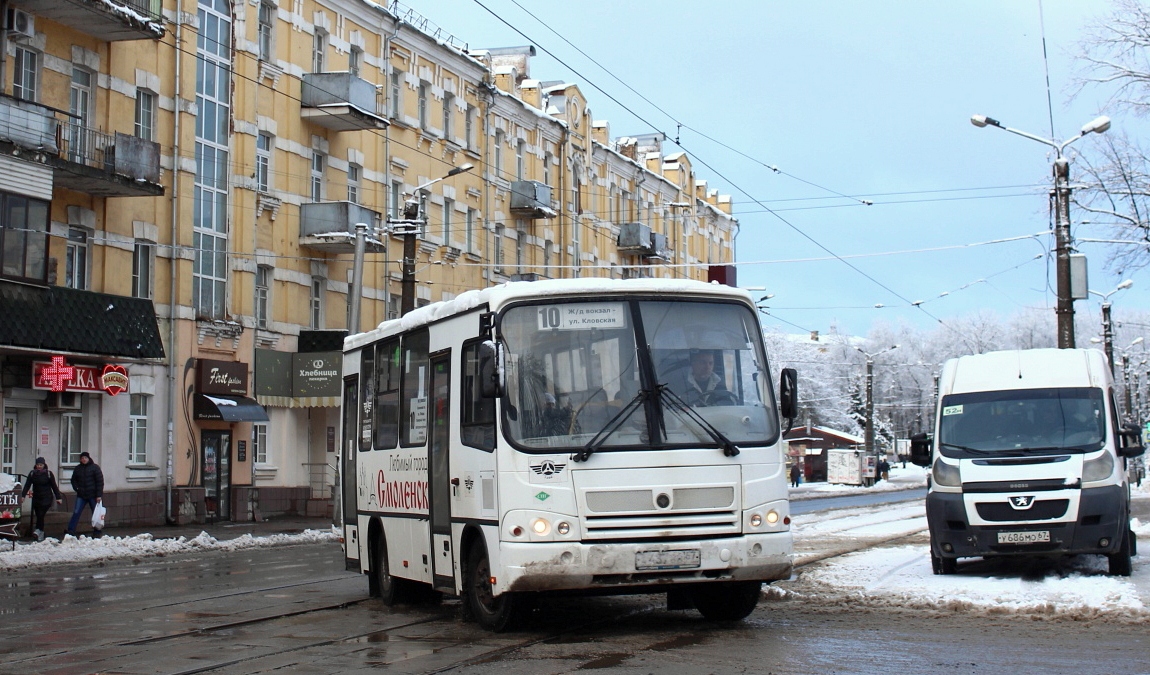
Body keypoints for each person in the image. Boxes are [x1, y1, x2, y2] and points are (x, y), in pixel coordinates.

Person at [19, 457, 62, 542]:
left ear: (44, 465)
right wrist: (23, 496)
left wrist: (58, 497)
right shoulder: (32, 474)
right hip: (37, 498)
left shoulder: (48, 474)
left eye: (41, 465)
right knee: (39, 515)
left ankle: (38, 531)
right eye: (38, 465)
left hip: (47, 498)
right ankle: (40, 532)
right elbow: (27, 485)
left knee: (41, 514)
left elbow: (54, 486)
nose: (39, 466)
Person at [67, 451, 104, 538]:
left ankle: (97, 530)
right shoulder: (78, 469)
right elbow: (73, 480)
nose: (84, 459)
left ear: (88, 458)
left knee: (96, 513)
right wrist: (77, 488)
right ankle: (71, 530)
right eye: (82, 458)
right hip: (81, 495)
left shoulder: (95, 468)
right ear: (80, 459)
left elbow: (100, 482)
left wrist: (99, 495)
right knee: (76, 512)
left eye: (85, 458)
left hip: (93, 495)